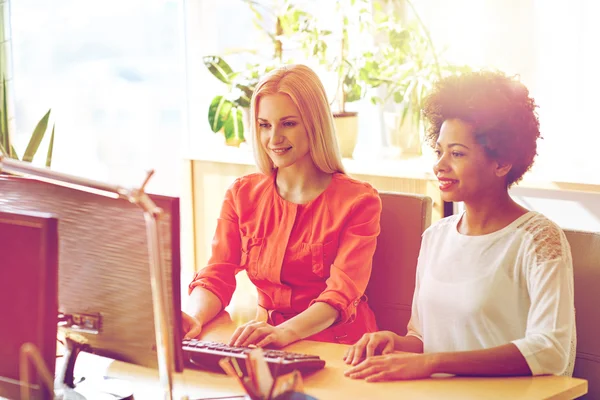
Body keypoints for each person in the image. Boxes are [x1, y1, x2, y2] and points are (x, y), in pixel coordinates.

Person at [343, 71, 576, 381]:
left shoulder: (538, 240)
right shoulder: (435, 237)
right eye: (440, 151)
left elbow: (550, 350)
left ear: (502, 162)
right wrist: (397, 343)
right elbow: (423, 338)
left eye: (457, 153)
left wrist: (433, 363)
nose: (440, 164)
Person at [182, 64, 382, 348]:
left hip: (339, 346)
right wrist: (193, 317)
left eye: (288, 123)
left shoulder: (360, 201)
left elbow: (340, 295)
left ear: (315, 124)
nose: (273, 139)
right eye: (264, 125)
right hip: (267, 342)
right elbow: (217, 275)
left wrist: (285, 332)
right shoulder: (241, 194)